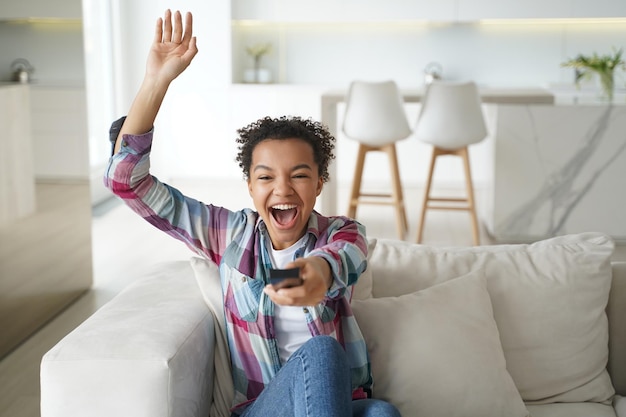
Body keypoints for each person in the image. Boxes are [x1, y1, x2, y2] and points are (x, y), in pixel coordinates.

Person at [104, 9, 401, 417]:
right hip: (264, 409)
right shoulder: (229, 235)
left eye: (299, 175)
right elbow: (126, 182)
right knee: (321, 352)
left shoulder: (343, 233)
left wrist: (315, 274)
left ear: (318, 184)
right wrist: (156, 81)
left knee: (382, 413)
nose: (282, 188)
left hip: (336, 405)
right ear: (250, 186)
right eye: (266, 177)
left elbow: (339, 260)